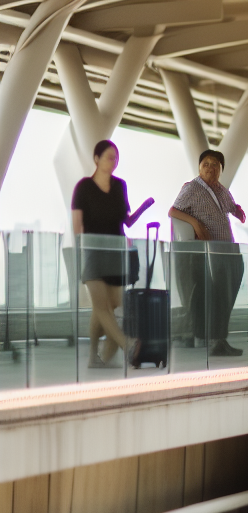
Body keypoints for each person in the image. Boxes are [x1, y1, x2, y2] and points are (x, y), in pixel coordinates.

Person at [169, 149, 248, 357]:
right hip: (209, 253)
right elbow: (173, 211)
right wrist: (195, 223)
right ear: (199, 167)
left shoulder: (222, 190)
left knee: (227, 294)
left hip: (228, 250)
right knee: (217, 296)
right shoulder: (192, 188)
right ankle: (215, 340)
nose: (210, 168)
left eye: (215, 165)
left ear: (221, 169)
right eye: (206, 164)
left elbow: (230, 207)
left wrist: (238, 211)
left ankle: (219, 338)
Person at [71, 139, 140, 367]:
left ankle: (94, 358)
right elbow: (77, 224)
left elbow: (127, 220)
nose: (114, 161)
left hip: (115, 252)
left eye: (116, 157)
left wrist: (142, 210)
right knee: (101, 305)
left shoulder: (120, 185)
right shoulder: (83, 187)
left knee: (110, 305)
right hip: (92, 251)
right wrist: (80, 252)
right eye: (109, 156)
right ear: (96, 158)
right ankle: (126, 343)